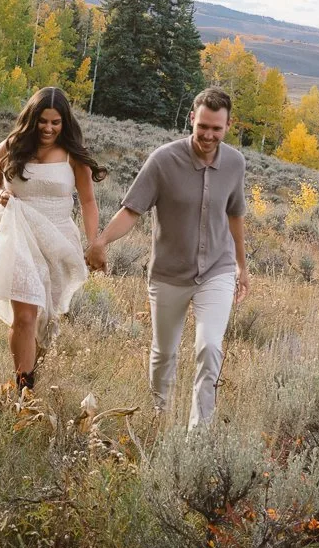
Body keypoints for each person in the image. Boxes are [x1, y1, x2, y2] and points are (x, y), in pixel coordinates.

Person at [86, 87, 249, 428]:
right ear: (192, 119)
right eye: (202, 125)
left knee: (209, 347)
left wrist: (241, 265)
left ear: (228, 126)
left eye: (216, 129)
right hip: (169, 274)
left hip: (216, 271)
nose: (208, 134)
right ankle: (161, 417)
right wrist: (101, 241)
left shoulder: (235, 163)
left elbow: (235, 215)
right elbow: (132, 210)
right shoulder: (163, 160)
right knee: (164, 353)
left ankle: (197, 434)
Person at [0, 86, 107, 394]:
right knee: (25, 316)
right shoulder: (9, 147)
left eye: (55, 122)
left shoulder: (73, 158)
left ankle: (30, 378)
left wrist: (95, 242)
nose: (48, 128)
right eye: (43, 121)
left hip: (58, 239)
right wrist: (2, 195)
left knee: (46, 320)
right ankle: (24, 393)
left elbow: (89, 202)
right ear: (31, 118)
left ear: (64, 123)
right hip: (18, 236)